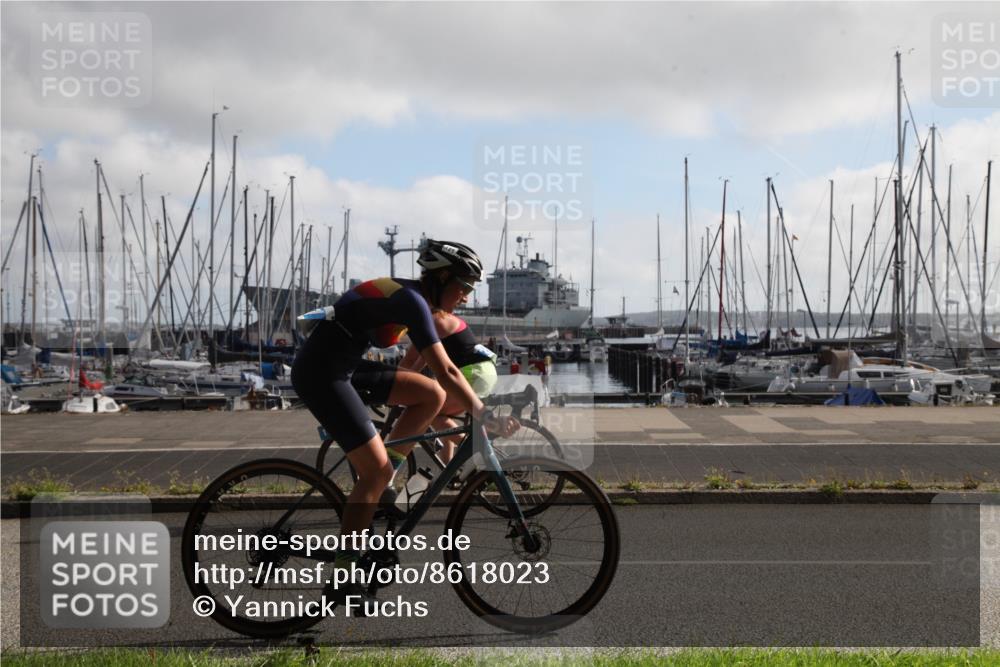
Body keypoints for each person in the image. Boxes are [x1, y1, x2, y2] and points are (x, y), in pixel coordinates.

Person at [290, 239, 515, 612]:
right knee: (373, 472)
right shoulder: (411, 301)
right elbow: (446, 369)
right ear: (442, 277)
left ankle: (387, 480)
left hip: (345, 367)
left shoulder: (414, 301)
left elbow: (420, 367)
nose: (466, 297)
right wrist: (484, 414)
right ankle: (344, 577)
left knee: (431, 396)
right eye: (463, 287)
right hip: (322, 373)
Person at [397, 293, 499, 463]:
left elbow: (409, 360)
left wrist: (392, 384)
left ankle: (474, 449)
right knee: (444, 420)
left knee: (433, 411)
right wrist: (409, 377)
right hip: (483, 370)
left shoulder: (432, 323)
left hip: (472, 372)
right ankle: (449, 470)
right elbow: (421, 359)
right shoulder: (445, 318)